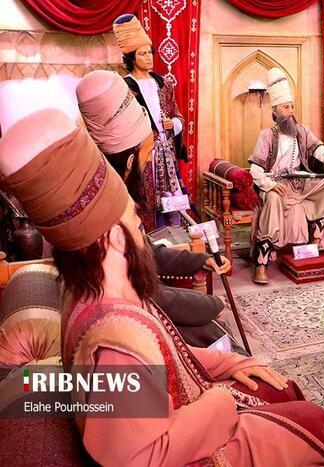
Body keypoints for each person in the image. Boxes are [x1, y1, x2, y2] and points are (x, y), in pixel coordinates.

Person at [0, 108, 324, 465]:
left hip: (184, 412)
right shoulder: (115, 339)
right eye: (134, 219)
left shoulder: (91, 290)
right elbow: (143, 458)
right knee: (314, 420)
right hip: (198, 450)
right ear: (114, 239)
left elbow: (165, 356)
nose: (141, 230)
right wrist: (220, 402)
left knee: (282, 390)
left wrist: (227, 363)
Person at [76, 69, 235, 349]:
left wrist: (200, 261)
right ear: (129, 163)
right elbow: (145, 294)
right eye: (148, 154)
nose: (151, 163)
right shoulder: (103, 222)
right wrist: (211, 304)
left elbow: (146, 251)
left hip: (139, 315)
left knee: (216, 333)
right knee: (216, 336)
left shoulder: (112, 198)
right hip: (127, 330)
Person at [248, 67, 324, 284]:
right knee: (272, 200)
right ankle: (261, 263)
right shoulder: (266, 136)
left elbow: (323, 154)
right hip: (276, 185)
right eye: (286, 107)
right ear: (275, 111)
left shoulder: (302, 132)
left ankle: (316, 237)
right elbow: (255, 170)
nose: (291, 111)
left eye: (292, 106)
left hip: (301, 184)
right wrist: (270, 185)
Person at [113, 14, 190, 231]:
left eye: (150, 52)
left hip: (167, 152)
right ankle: (149, 239)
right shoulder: (124, 87)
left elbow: (178, 115)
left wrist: (174, 124)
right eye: (142, 53)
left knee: (172, 200)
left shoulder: (163, 83)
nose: (149, 57)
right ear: (131, 57)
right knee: (145, 197)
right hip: (144, 153)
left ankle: (175, 239)